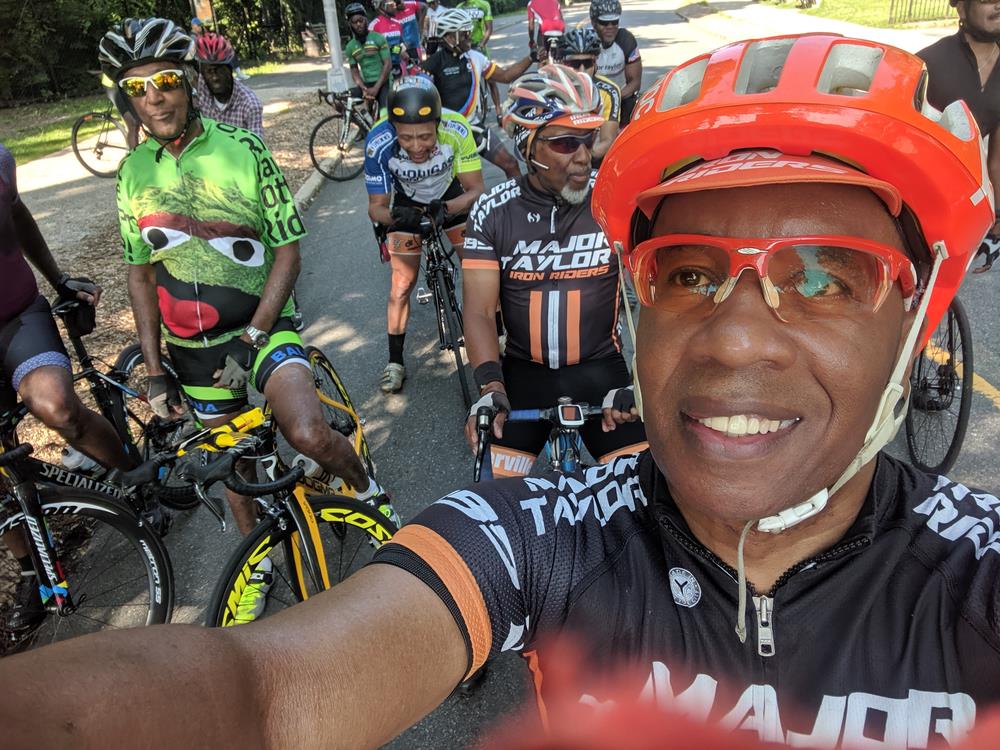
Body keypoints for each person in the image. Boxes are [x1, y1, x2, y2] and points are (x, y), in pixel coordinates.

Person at [4, 34, 1000, 750]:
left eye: (826, 278)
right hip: (522, 378)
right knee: (429, 328)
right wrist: (484, 385)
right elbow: (261, 694)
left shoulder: (976, 582)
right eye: (688, 272)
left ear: (917, 323)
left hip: (600, 382)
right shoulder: (540, 523)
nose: (737, 336)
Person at [99, 17, 396, 622]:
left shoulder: (243, 149)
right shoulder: (132, 174)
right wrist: (153, 370)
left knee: (307, 433)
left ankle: (373, 498)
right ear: (125, 100)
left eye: (166, 81)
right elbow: (140, 276)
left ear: (188, 82)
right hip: (192, 350)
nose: (154, 97)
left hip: (262, 329)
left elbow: (288, 252)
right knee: (237, 471)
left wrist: (254, 335)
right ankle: (255, 563)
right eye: (137, 88)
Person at [462, 64, 646, 479]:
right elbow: (479, 311)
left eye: (588, 139)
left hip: (603, 370)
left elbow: (655, 299)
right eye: (565, 143)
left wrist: (639, 380)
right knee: (494, 500)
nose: (583, 157)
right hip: (522, 374)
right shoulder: (494, 211)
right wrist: (491, 388)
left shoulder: (612, 199)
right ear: (527, 145)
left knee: (643, 495)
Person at [0, 142, 130, 635]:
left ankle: (135, 479)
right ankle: (32, 570)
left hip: (17, 317)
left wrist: (57, 278)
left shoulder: (0, 160)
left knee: (57, 407)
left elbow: (18, 214)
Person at [364, 77, 485, 393]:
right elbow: (375, 208)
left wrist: (447, 208)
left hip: (451, 198)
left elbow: (476, 190)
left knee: (479, 268)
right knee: (401, 284)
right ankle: (395, 362)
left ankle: (496, 336)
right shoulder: (378, 141)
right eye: (406, 138)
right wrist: (395, 216)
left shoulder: (457, 129)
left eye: (426, 136)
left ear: (438, 125)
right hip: (406, 205)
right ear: (393, 129)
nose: (417, 146)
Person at [918, 0, 1000, 271]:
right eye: (988, 0)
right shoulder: (927, 62)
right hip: (917, 199)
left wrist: (997, 222)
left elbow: (997, 160)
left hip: (964, 206)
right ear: (962, 7)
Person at [420, 8, 532, 180]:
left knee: (511, 164)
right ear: (450, 37)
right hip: (446, 133)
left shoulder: (475, 57)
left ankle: (519, 197)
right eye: (465, 34)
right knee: (458, 182)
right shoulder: (432, 63)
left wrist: (531, 58)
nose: (470, 37)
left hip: (474, 127)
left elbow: (505, 76)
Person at [554, 28, 620, 162]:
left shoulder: (609, 91)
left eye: (587, 63)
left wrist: (580, 160)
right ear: (561, 63)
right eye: (575, 64)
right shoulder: (550, 89)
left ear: (595, 62)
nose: (582, 71)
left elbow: (607, 141)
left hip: (590, 158)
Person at [192, 32, 264, 139]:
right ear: (202, 73)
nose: (215, 77)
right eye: (209, 71)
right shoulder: (199, 88)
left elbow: (256, 146)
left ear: (230, 69)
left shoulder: (250, 105)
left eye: (219, 70)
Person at [590, 0, 641, 123]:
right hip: (591, 102)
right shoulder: (586, 41)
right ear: (593, 22)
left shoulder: (626, 40)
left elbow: (635, 82)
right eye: (604, 23)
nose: (610, 27)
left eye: (615, 22)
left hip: (621, 98)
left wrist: (613, 99)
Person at [344, 2, 392, 115]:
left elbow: (388, 64)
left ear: (366, 20)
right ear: (350, 25)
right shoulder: (350, 47)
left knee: (384, 115)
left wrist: (376, 88)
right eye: (354, 22)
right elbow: (354, 70)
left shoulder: (378, 38)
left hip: (384, 83)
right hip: (366, 85)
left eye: (361, 20)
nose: (358, 24)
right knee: (340, 100)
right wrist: (363, 88)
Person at [369, 0, 409, 78]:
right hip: (382, 69)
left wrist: (404, 51)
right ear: (383, 6)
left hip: (398, 67)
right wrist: (399, 50)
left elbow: (401, 43)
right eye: (392, 4)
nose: (395, 7)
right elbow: (376, 49)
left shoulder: (397, 23)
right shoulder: (373, 26)